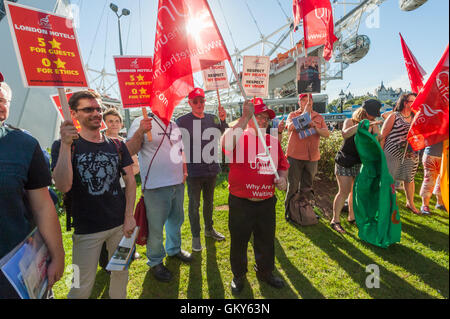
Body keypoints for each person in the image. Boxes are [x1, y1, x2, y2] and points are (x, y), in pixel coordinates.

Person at [51, 90, 136, 299]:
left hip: (119, 227)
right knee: (80, 285)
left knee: (120, 274)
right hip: (86, 231)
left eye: (99, 109)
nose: (96, 113)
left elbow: (130, 181)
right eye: (88, 109)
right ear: (74, 114)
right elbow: (63, 185)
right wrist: (65, 145)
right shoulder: (64, 146)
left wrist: (129, 216)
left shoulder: (117, 145)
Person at [0, 75, 65, 298]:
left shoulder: (25, 145)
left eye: (3, 100)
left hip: (15, 268)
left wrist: (57, 255)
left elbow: (43, 206)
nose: (0, 105)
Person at [221, 98, 290, 294]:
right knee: (239, 241)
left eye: (266, 118)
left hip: (266, 203)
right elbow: (225, 144)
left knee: (266, 240)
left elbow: (283, 167)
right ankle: (239, 275)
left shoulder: (273, 142)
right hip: (241, 202)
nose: (263, 120)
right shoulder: (238, 137)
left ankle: (265, 272)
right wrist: (243, 117)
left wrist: (283, 180)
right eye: (258, 116)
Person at [126, 109, 192, 283]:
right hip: (155, 186)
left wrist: (184, 171)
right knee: (155, 228)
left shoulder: (173, 124)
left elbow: (180, 150)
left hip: (177, 184)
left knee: (176, 220)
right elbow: (129, 150)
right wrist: (140, 131)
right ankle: (155, 261)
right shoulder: (141, 121)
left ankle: (174, 249)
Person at [176, 88, 228, 252]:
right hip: (193, 171)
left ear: (205, 102)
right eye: (195, 101)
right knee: (194, 205)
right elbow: (176, 144)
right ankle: (196, 236)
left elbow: (221, 133)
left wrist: (223, 120)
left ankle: (209, 229)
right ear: (189, 103)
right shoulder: (181, 121)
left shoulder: (213, 118)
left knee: (209, 203)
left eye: (202, 101)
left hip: (211, 168)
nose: (199, 104)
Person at [331, 100, 382, 233]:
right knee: (344, 191)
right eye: (372, 115)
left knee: (355, 191)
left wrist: (375, 129)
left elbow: (377, 140)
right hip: (345, 160)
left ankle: (352, 217)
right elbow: (345, 134)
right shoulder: (350, 121)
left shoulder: (372, 124)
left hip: (360, 162)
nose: (373, 118)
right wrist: (361, 125)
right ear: (365, 113)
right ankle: (335, 220)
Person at [101, 108, 141, 265]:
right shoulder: (100, 142)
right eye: (110, 121)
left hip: (124, 188)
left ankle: (130, 251)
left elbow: (136, 166)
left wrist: (124, 172)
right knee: (106, 224)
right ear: (104, 123)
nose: (114, 124)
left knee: (128, 218)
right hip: (106, 191)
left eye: (117, 121)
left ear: (121, 123)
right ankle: (105, 258)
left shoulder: (124, 144)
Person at [285, 93, 330, 215]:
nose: (307, 102)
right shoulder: (293, 115)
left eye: (309, 100)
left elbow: (326, 134)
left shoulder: (319, 117)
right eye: (304, 100)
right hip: (295, 156)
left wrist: (315, 127)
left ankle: (304, 211)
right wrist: (305, 116)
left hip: (312, 157)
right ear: (299, 102)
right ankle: (289, 211)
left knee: (307, 186)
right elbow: (290, 127)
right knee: (293, 186)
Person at [380, 93, 420, 214]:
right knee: (389, 179)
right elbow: (383, 136)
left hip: (411, 153)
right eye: (412, 101)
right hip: (392, 152)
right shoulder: (394, 116)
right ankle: (388, 204)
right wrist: (380, 154)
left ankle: (410, 203)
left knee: (409, 178)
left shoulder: (416, 117)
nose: (415, 103)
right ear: (405, 103)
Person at [420, 141, 446, 214]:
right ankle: (424, 205)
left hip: (444, 156)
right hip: (431, 155)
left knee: (441, 181)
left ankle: (440, 203)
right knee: (429, 181)